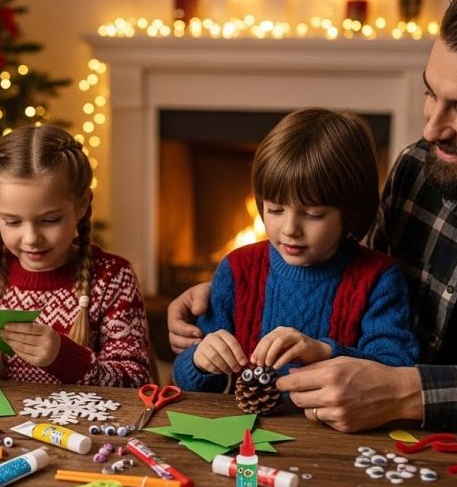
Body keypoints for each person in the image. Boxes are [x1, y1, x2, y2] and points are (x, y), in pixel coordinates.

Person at [168, 0, 457, 433]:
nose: (432, 129)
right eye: (431, 94)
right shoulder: (418, 171)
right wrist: (243, 286)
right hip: (403, 446)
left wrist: (408, 391)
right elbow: (355, 285)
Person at [173, 108, 419, 394]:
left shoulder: (379, 279)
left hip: (335, 435)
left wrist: (325, 352)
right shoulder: (238, 268)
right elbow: (188, 379)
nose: (290, 228)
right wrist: (200, 361)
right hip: (244, 432)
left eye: (313, 215)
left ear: (351, 212)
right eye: (275, 209)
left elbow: (396, 371)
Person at [0, 124, 151, 387]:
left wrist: (63, 357)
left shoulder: (112, 278)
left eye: (50, 220)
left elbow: (135, 380)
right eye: (12, 221)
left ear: (82, 205)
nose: (32, 238)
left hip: (82, 427)